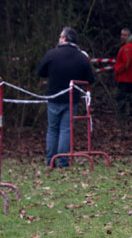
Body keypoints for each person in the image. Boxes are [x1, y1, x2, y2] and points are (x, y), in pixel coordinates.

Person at [38, 27, 95, 168]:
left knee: (52, 129)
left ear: (64, 38)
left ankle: (50, 160)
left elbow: (41, 72)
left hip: (54, 96)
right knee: (66, 130)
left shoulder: (52, 54)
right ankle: (63, 161)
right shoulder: (81, 57)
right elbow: (90, 78)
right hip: (71, 98)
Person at [115, 28, 132, 118]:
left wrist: (117, 69)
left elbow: (126, 63)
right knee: (131, 96)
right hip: (131, 77)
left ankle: (122, 116)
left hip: (124, 77)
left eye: (125, 35)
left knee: (122, 97)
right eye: (122, 35)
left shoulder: (127, 48)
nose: (122, 37)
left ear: (129, 36)